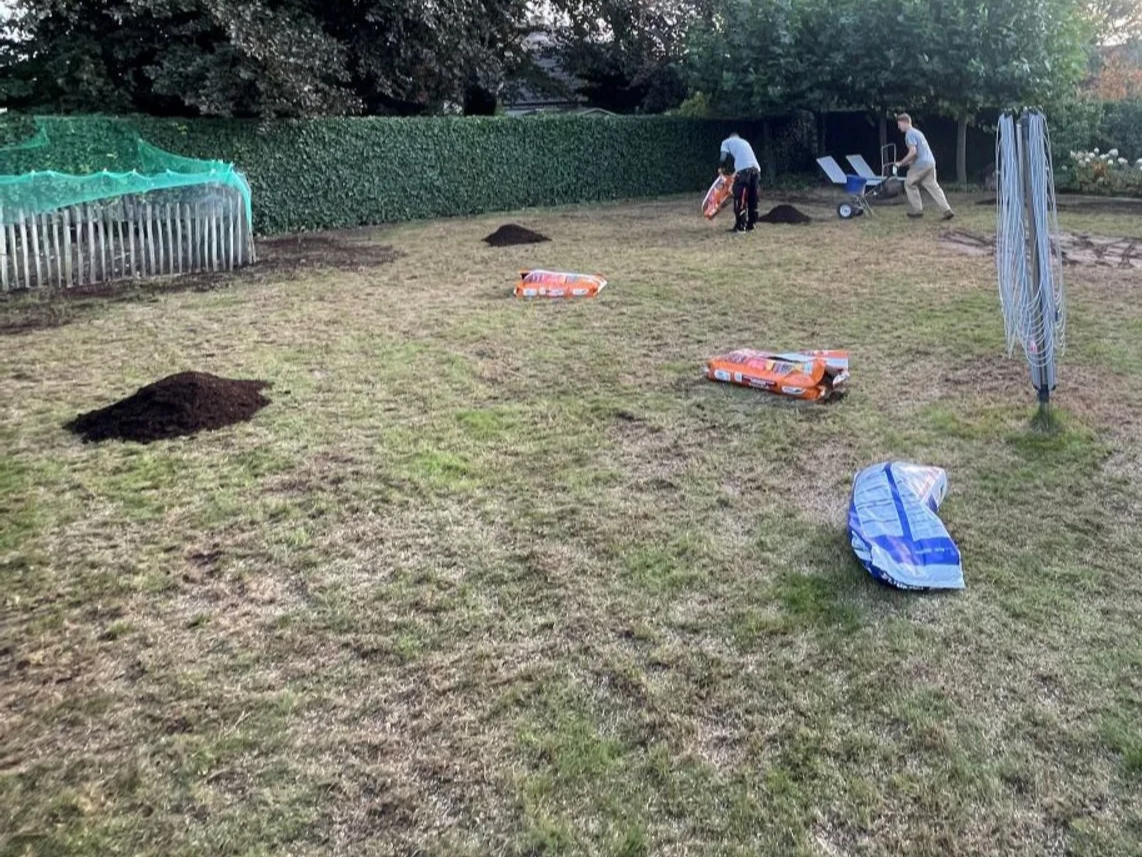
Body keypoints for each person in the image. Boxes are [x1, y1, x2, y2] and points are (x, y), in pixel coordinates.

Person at [894, 114, 954, 220]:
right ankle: (947, 210)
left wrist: (900, 163)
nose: (899, 127)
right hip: (930, 162)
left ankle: (917, 211)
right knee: (933, 186)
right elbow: (919, 152)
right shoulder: (918, 133)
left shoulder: (909, 134)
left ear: (905, 122)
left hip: (921, 164)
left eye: (899, 124)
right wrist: (910, 162)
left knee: (909, 183)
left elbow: (913, 152)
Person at [719, 132, 761, 233]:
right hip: (756, 171)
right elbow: (746, 163)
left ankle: (740, 227)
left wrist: (721, 169)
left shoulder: (726, 142)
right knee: (752, 198)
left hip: (744, 172)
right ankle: (751, 225)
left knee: (740, 197)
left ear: (731, 138)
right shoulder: (745, 143)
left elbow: (723, 157)